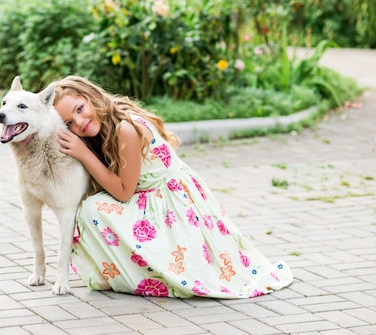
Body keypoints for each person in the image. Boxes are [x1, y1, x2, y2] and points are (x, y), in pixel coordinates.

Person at [53, 75, 293, 298]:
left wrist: (84, 154)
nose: (79, 123)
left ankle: (144, 274)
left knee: (92, 209)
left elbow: (124, 193)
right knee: (91, 207)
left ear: (91, 97)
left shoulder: (126, 129)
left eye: (80, 109)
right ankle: (135, 269)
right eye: (69, 123)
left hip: (172, 203)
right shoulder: (104, 129)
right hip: (150, 198)